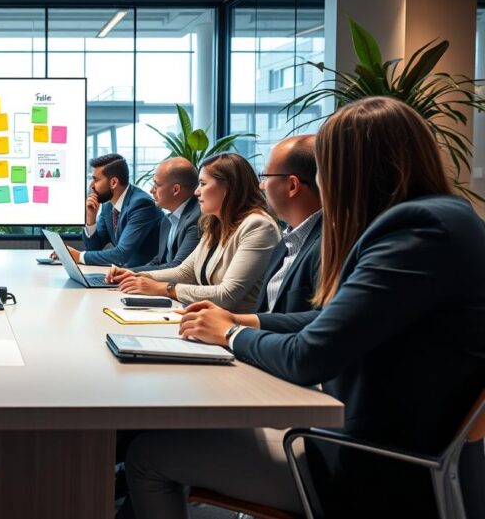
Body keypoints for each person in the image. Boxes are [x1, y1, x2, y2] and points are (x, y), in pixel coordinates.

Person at [124, 96, 485, 519]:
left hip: (374, 469)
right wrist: (246, 319)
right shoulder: (444, 219)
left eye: (325, 169)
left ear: (350, 170)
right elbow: (333, 321)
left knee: (147, 454)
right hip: (393, 445)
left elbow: (309, 355)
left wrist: (230, 334)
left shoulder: (415, 233)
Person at [108, 153, 280, 312]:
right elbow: (185, 272)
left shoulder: (258, 226)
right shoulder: (215, 223)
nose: (196, 191)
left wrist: (165, 289)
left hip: (238, 330)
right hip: (209, 320)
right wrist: (137, 275)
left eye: (203, 184)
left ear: (228, 188)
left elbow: (226, 295)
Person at [254, 135, 322, 316]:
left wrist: (233, 326)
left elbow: (314, 324)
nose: (261, 185)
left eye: (265, 176)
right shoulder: (285, 243)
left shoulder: (329, 246)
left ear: (292, 185)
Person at [60, 153, 163, 267]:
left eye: (96, 180)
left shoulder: (141, 204)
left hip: (145, 276)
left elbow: (121, 255)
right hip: (124, 273)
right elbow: (93, 248)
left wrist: (78, 256)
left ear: (113, 182)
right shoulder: (108, 205)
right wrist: (91, 219)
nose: (91, 185)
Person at [129, 157, 201, 271]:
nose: (151, 190)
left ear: (175, 189)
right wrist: (126, 273)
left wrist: (130, 273)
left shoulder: (197, 219)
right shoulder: (167, 220)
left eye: (156, 185)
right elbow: (159, 260)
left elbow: (178, 267)